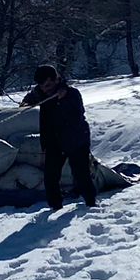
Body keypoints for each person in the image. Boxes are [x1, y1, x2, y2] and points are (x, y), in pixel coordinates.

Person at [21, 64, 96, 211]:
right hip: (53, 141)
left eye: (48, 85)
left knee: (81, 173)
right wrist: (26, 103)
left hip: (76, 139)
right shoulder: (40, 93)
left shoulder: (72, 93)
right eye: (42, 86)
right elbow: (30, 98)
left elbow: (77, 113)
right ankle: (55, 206)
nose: (45, 89)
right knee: (50, 176)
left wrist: (62, 100)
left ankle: (91, 203)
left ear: (56, 80)